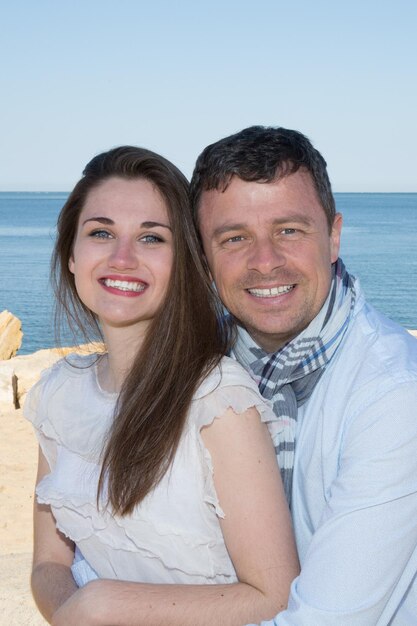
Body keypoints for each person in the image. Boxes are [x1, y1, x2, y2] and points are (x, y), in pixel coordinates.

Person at [25, 146, 299, 626]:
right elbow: (49, 564)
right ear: (71, 254)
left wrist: (104, 605)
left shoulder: (217, 400)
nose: (123, 257)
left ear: (184, 263)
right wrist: (77, 613)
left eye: (152, 238)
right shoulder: (57, 394)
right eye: (101, 232)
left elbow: (274, 596)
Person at [190, 125, 417, 625]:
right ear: (204, 260)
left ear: (333, 236)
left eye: (289, 230)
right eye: (234, 238)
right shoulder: (197, 371)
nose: (265, 262)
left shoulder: (395, 395)